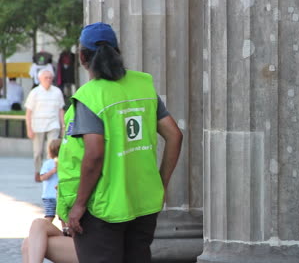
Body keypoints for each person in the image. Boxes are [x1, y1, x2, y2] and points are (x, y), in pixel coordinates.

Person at [57, 22, 183, 263]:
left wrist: (79, 205)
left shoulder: (89, 97)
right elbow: (175, 135)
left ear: (83, 57)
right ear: (118, 52)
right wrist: (161, 183)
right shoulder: (143, 85)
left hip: (102, 210)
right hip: (143, 204)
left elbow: (94, 155)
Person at [24, 69, 65, 182]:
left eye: (50, 78)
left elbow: (61, 110)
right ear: (40, 79)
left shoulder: (57, 91)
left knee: (51, 150)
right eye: (46, 78)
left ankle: (49, 171)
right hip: (38, 125)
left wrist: (63, 126)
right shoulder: (35, 92)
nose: (48, 80)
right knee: (37, 152)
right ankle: (38, 171)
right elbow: (28, 112)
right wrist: (29, 129)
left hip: (53, 124)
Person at [39, 138, 62, 223]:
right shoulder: (48, 163)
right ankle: (45, 228)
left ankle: (65, 233)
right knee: (49, 216)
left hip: (60, 195)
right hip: (49, 196)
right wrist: (53, 171)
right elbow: (42, 177)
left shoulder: (64, 162)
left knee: (63, 217)